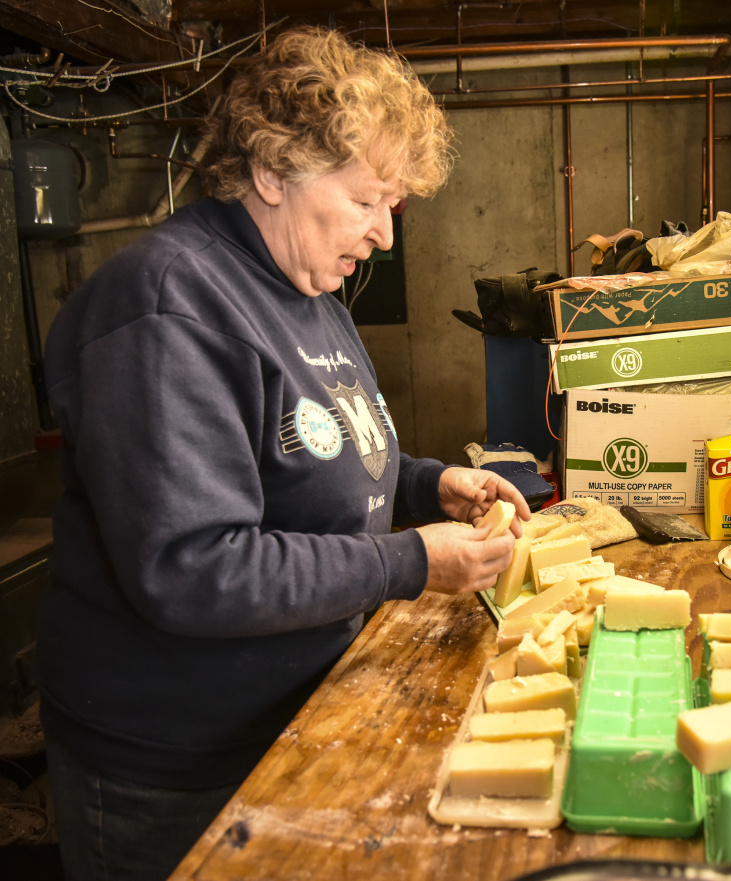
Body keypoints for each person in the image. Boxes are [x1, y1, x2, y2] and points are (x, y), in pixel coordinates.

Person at [37, 26, 530, 881]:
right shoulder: (169, 305)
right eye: (367, 198)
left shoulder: (309, 289)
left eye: (394, 206)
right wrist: (410, 561)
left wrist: (427, 484)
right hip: (177, 768)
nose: (383, 232)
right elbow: (196, 568)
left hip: (290, 718)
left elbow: (320, 453)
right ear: (271, 171)